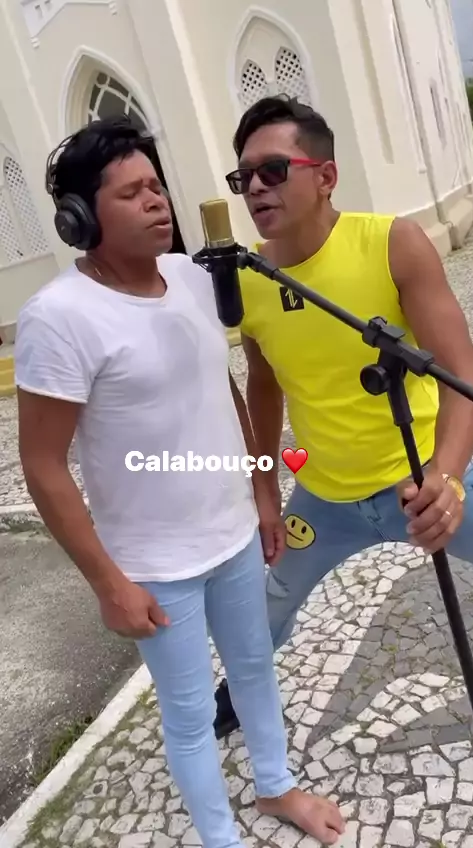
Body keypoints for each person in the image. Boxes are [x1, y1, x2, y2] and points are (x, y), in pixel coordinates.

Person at [14, 117, 345, 848]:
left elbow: (223, 387)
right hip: (155, 566)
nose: (156, 201)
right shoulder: (59, 318)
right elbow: (43, 465)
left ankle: (276, 786)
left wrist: (262, 491)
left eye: (156, 187)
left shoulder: (196, 279)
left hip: (233, 536)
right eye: (131, 193)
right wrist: (109, 583)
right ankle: (220, 839)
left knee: (255, 670)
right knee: (191, 713)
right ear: (81, 218)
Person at [213, 95, 473, 739]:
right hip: (324, 498)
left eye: (273, 170)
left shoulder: (392, 243)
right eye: (244, 177)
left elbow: (463, 375)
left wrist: (446, 478)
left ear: (326, 176)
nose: (255, 187)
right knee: (271, 602)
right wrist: (265, 491)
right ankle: (238, 692)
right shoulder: (248, 278)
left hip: (421, 478)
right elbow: (264, 386)